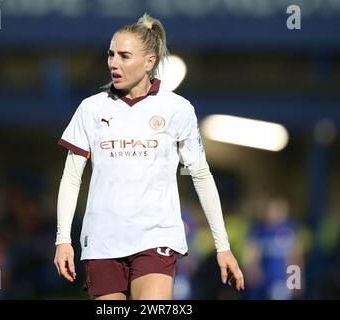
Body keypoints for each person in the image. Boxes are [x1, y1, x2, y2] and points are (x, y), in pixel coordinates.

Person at [53, 13, 244, 300]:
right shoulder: (91, 109)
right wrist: (63, 239)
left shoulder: (176, 109)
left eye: (124, 56)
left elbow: (201, 176)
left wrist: (223, 246)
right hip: (102, 240)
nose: (113, 63)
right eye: (111, 54)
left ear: (149, 62)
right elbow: (71, 178)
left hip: (156, 237)